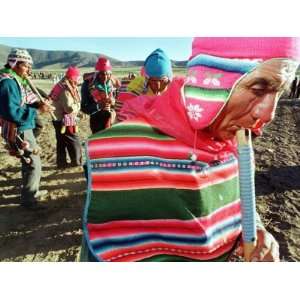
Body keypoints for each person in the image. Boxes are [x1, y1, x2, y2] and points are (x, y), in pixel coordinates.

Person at [80, 37, 299, 262]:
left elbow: (239, 197)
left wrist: (254, 228)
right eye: (259, 88)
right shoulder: (127, 150)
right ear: (214, 81)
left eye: (280, 91)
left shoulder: (237, 137)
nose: (269, 115)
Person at [0, 49, 53, 210]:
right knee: (33, 164)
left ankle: (31, 192)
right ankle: (29, 199)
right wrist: (37, 110)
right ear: (14, 64)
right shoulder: (7, 83)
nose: (29, 70)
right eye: (26, 66)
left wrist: (38, 103)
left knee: (28, 162)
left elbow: (24, 100)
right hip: (19, 129)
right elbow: (12, 112)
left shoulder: (16, 79)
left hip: (23, 126)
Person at [116, 48, 174, 121]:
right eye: (153, 81)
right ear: (146, 78)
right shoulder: (134, 90)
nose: (158, 86)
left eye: (162, 81)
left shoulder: (175, 91)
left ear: (169, 79)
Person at [49, 66, 82, 168]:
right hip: (64, 119)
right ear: (74, 77)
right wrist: (78, 105)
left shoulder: (62, 85)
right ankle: (76, 162)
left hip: (57, 118)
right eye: (77, 78)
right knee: (73, 139)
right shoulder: (65, 89)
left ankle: (61, 163)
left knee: (61, 141)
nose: (78, 80)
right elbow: (69, 108)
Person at [81, 57, 121, 134]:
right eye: (102, 74)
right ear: (97, 73)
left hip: (112, 122)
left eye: (108, 74)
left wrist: (114, 102)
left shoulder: (113, 84)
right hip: (97, 124)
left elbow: (119, 103)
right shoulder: (87, 85)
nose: (105, 77)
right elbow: (84, 108)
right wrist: (98, 106)